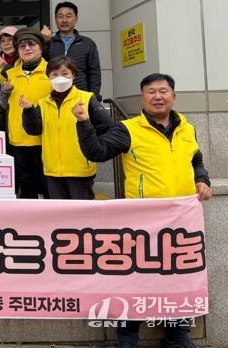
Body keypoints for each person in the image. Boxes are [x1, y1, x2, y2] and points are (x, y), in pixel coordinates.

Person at [74, 72, 212, 348]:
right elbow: (97, 152)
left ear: (173, 96)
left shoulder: (187, 128)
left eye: (163, 91)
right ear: (143, 98)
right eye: (151, 92)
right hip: (142, 222)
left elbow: (195, 160)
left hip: (181, 221)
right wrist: (83, 123)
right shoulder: (128, 129)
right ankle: (127, 338)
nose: (158, 97)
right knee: (135, 279)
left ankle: (177, 335)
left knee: (179, 279)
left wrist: (202, 180)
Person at [21, 56, 114, 199]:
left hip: (80, 169)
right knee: (60, 211)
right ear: (48, 77)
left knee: (81, 211)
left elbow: (107, 127)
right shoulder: (42, 103)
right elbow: (34, 130)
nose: (60, 78)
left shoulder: (87, 98)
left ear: (73, 75)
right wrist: (28, 111)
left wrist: (94, 150)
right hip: (53, 170)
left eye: (65, 74)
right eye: (54, 74)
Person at [0, 27, 52, 198]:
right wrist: (5, 93)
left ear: (41, 48)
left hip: (45, 139)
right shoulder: (10, 73)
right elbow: (4, 105)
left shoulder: (52, 71)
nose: (27, 48)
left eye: (31, 44)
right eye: (22, 46)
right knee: (27, 187)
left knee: (47, 186)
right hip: (19, 140)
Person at [41, 1, 102, 98]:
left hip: (80, 97)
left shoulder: (87, 43)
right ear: (55, 20)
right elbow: (42, 66)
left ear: (76, 19)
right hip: (53, 96)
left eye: (69, 16)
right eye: (60, 16)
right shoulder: (50, 43)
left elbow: (94, 73)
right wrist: (45, 42)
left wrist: (93, 97)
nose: (64, 20)